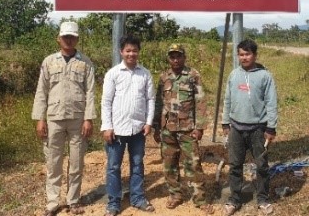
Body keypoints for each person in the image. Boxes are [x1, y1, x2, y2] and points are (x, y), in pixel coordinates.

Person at [31, 21, 96, 216]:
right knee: (53, 162)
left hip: (77, 118)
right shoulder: (49, 62)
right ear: (58, 38)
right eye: (65, 36)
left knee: (76, 162)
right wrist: (39, 119)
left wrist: (88, 119)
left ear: (77, 39)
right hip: (54, 118)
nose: (69, 40)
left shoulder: (85, 63)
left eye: (72, 37)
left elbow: (91, 92)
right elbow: (41, 91)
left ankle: (73, 201)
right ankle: (52, 203)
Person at [153, 44, 215, 214]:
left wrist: (200, 127)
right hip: (167, 129)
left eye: (178, 56)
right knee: (169, 164)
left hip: (188, 128)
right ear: (169, 58)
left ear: (184, 57)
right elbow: (159, 103)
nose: (175, 59)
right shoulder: (163, 77)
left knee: (193, 164)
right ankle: (175, 195)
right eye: (172, 56)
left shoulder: (193, 75)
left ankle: (200, 199)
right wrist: (156, 126)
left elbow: (200, 101)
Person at [221, 39, 278, 216]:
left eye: (247, 54)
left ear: (254, 55)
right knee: (235, 165)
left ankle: (262, 199)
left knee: (261, 165)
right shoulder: (233, 75)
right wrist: (225, 122)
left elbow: (271, 103)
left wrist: (271, 127)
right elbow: (228, 100)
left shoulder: (264, 76)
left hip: (258, 129)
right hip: (236, 128)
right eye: (241, 54)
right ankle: (234, 200)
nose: (244, 57)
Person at [101, 34, 156, 216]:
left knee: (137, 164)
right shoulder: (113, 74)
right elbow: (106, 102)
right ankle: (114, 202)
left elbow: (150, 99)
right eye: (128, 50)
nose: (131, 54)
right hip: (116, 129)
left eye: (134, 50)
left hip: (138, 129)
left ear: (139, 52)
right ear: (121, 52)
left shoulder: (145, 74)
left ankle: (137, 198)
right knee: (114, 166)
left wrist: (148, 122)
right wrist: (107, 126)